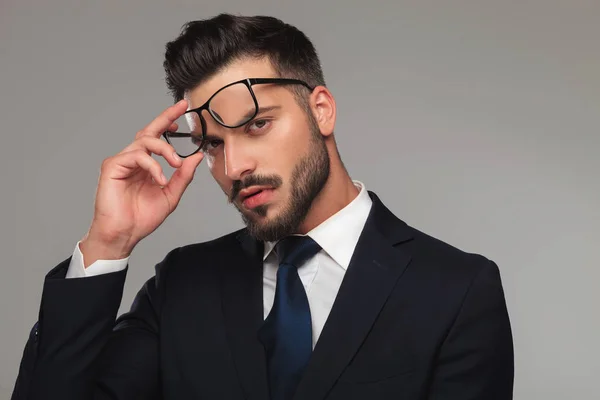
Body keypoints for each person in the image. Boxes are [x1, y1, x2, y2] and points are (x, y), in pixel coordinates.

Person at [11, 13, 513, 400]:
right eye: (210, 144)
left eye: (257, 124)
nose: (234, 165)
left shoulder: (456, 290)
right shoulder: (183, 282)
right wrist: (109, 242)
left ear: (321, 110)